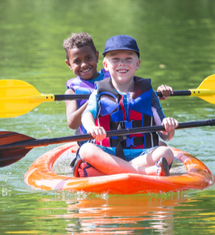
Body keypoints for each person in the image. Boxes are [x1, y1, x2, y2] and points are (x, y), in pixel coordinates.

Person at [73, 35, 177, 178]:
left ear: (138, 64)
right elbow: (87, 115)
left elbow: (166, 136)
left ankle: (101, 171)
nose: (122, 63)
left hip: (142, 154)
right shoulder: (98, 92)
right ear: (105, 65)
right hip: (108, 152)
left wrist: (169, 127)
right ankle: (146, 173)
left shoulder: (149, 93)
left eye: (128, 59)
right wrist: (92, 127)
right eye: (115, 59)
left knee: (166, 152)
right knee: (86, 149)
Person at [63, 32, 110, 134]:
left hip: (116, 139)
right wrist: (93, 100)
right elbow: (72, 124)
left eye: (88, 58)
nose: (84, 64)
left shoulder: (112, 78)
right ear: (69, 64)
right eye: (77, 61)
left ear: (96, 56)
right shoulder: (71, 92)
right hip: (90, 142)